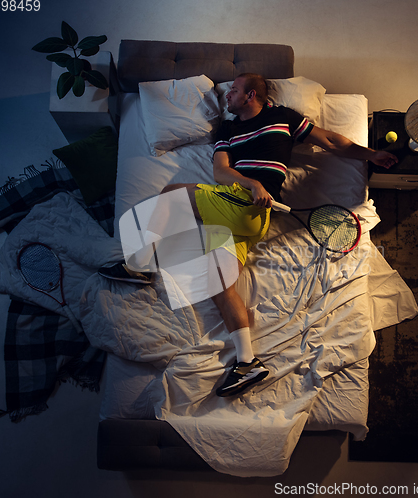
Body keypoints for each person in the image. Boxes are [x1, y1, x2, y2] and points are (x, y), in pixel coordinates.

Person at [99, 73, 398, 397]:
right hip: (243, 208)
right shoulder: (228, 129)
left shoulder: (283, 118)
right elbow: (220, 172)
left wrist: (371, 155)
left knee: (172, 192)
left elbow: (330, 141)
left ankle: (140, 266)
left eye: (234, 91)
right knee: (221, 287)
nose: (227, 96)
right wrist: (252, 183)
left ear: (251, 94)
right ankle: (247, 362)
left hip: (247, 209)